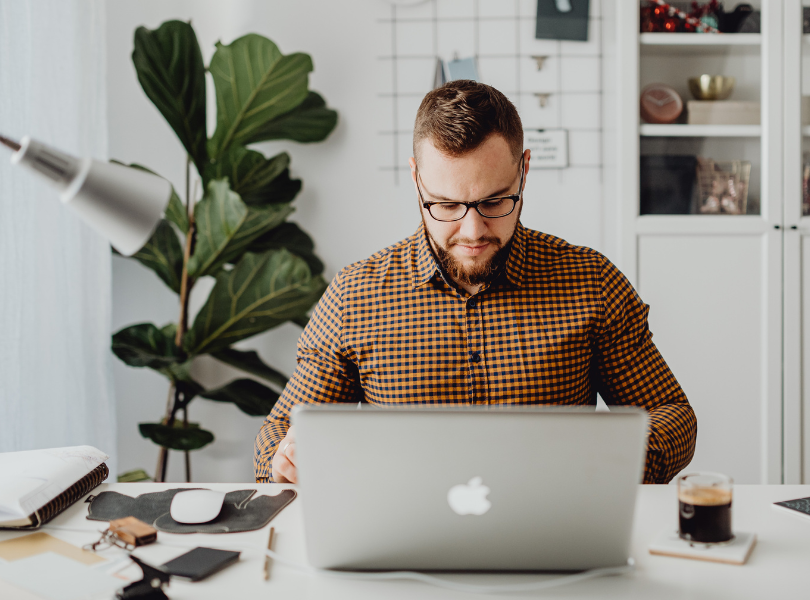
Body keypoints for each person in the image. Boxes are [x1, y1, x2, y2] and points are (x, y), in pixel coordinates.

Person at [253, 80, 696, 484]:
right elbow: (280, 431)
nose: (472, 232)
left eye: (495, 201)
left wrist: (613, 462)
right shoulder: (355, 296)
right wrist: (285, 459)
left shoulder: (591, 282)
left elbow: (672, 415)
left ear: (524, 171)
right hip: (403, 537)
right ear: (416, 179)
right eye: (446, 205)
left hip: (554, 530)